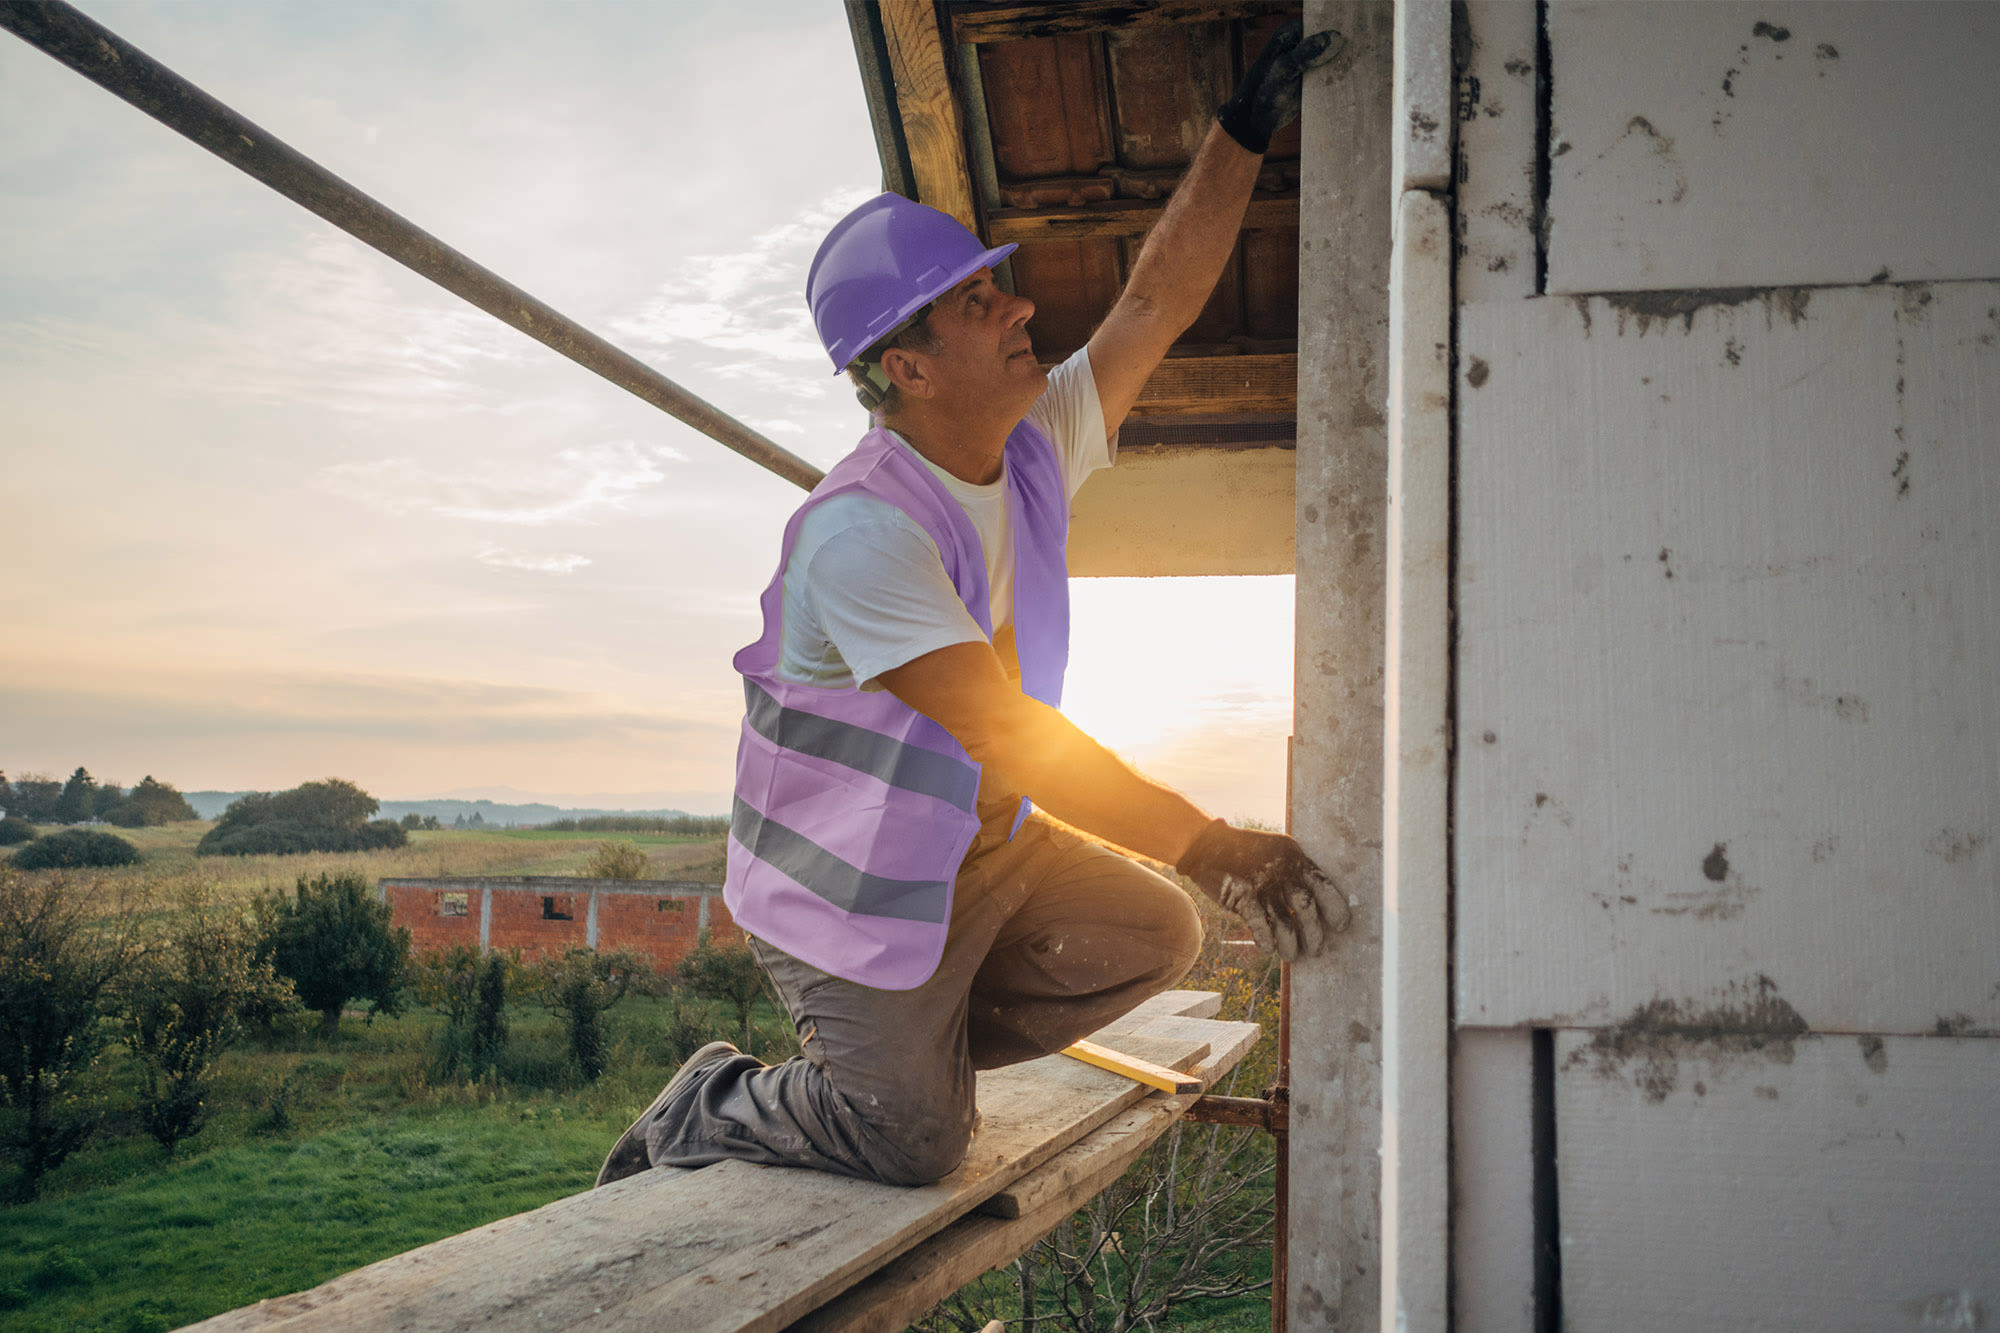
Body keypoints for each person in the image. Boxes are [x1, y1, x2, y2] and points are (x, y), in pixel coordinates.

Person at [597, 21, 1348, 1190]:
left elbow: (1153, 306)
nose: (1019, 309)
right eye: (977, 301)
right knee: (909, 1144)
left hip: (982, 845)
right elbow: (1002, 728)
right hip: (846, 884)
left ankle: (909, 1059)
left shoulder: (1029, 439)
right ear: (907, 366)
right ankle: (714, 1101)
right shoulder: (862, 534)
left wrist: (1241, 132)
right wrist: (1209, 843)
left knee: (1151, 936)